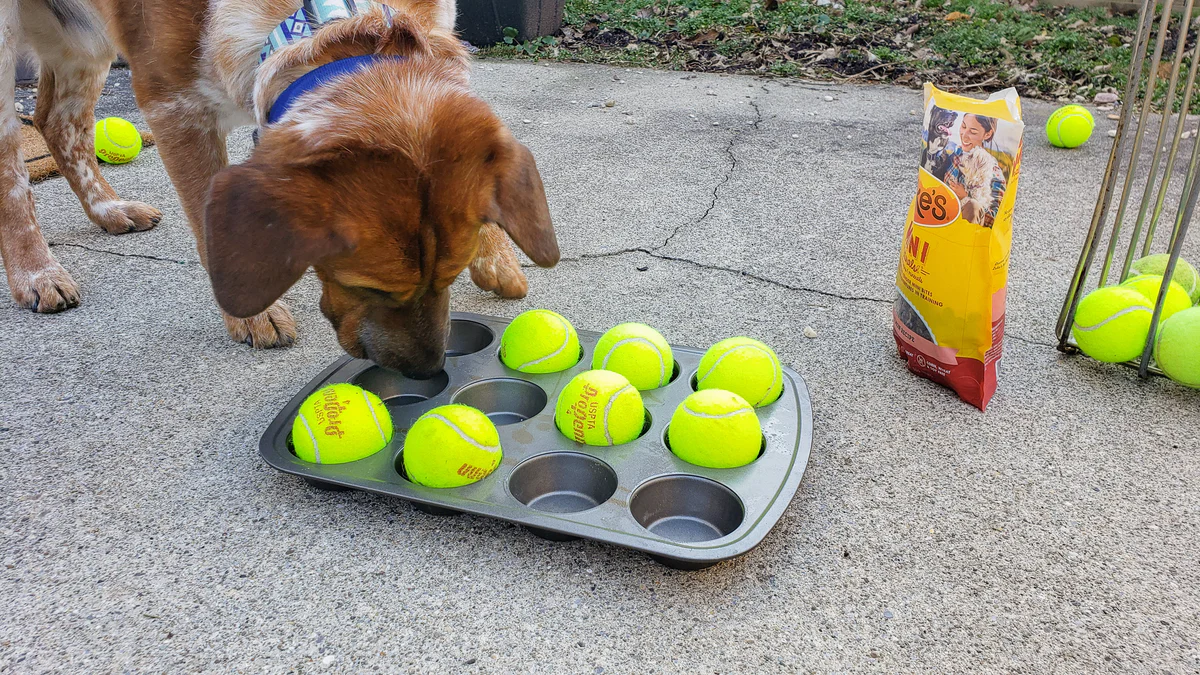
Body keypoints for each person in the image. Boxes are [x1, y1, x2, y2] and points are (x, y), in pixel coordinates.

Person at [944, 114, 1007, 227]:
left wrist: (965, 198)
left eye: (973, 132)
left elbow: (994, 220)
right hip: (940, 219)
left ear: (987, 134)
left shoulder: (993, 174)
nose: (964, 136)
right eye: (963, 126)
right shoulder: (954, 154)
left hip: (966, 233)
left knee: (973, 206)